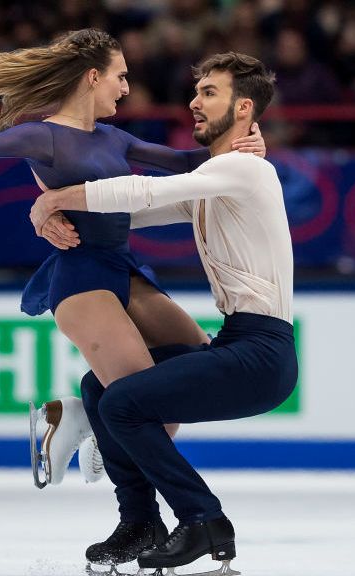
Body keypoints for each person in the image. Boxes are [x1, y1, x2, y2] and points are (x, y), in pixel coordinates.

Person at [0, 29, 266, 486]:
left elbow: (188, 163)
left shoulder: (112, 138)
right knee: (143, 397)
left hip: (124, 270)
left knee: (193, 363)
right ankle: (100, 444)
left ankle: (73, 416)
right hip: (82, 277)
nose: (126, 88)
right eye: (119, 77)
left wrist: (244, 143)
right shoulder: (44, 138)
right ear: (92, 77)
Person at [30, 51, 295, 575]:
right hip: (239, 344)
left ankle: (203, 519)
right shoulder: (219, 179)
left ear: (244, 109)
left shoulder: (244, 169)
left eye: (210, 93)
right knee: (100, 390)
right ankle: (140, 523)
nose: (194, 102)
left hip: (262, 354)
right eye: (196, 91)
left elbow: (147, 188)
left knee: (125, 404)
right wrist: (55, 216)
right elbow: (134, 214)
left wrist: (57, 197)